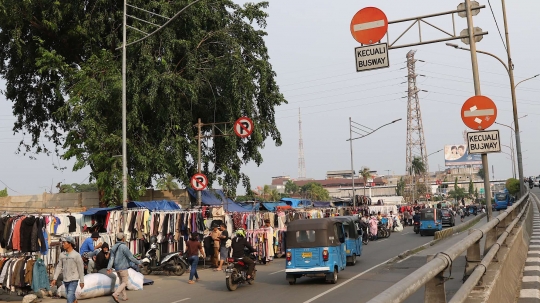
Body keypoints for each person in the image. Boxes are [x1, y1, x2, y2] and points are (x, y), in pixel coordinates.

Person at [107, 232, 141, 303]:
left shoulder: (113, 247)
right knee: (125, 282)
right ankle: (116, 294)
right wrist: (138, 262)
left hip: (117, 267)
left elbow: (111, 259)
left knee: (121, 282)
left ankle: (124, 297)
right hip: (123, 267)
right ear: (122, 238)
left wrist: (109, 267)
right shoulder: (124, 247)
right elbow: (131, 257)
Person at [51, 236, 85, 303]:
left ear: (70, 244)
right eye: (62, 243)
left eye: (64, 243)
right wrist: (54, 278)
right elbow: (59, 267)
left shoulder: (76, 255)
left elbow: (81, 269)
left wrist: (82, 281)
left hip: (73, 279)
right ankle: (75, 301)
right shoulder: (62, 255)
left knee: (69, 296)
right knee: (70, 295)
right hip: (66, 279)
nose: (63, 244)